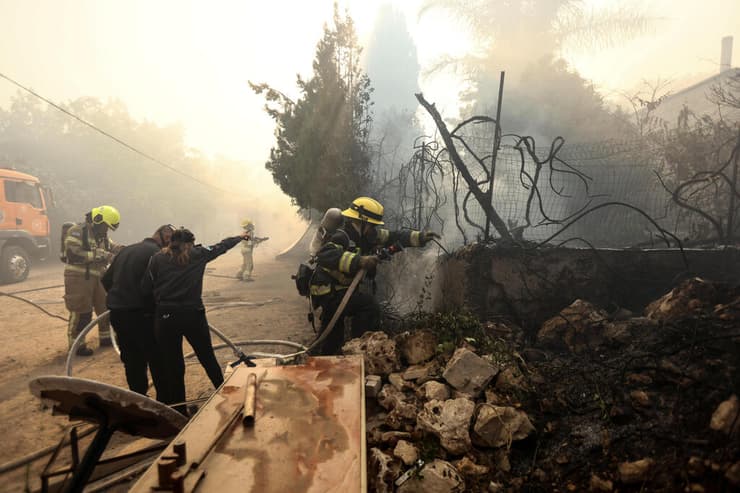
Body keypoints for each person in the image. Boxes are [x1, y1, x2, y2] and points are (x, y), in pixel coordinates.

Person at [309, 197, 440, 355]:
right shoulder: (342, 236)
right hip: (327, 290)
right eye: (371, 225)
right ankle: (360, 349)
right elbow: (326, 255)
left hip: (340, 290)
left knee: (333, 331)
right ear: (361, 221)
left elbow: (394, 236)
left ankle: (323, 353)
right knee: (368, 306)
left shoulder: (367, 235)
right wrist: (360, 260)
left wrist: (420, 237)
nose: (373, 229)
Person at [142, 227, 249, 414]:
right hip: (192, 314)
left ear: (170, 242)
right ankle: (229, 401)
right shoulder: (198, 254)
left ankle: (180, 412)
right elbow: (221, 246)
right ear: (191, 243)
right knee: (207, 357)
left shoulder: (157, 258)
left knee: (173, 366)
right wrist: (240, 237)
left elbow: (146, 287)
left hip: (165, 317)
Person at [101, 224, 175, 398]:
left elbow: (106, 279)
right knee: (157, 359)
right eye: (170, 242)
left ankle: (140, 401)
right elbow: (158, 286)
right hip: (143, 315)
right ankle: (166, 404)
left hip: (118, 314)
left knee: (132, 360)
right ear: (164, 238)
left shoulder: (126, 251)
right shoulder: (157, 255)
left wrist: (119, 298)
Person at [62, 205, 122, 356]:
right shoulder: (76, 231)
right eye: (105, 226)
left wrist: (128, 250)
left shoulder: (101, 235)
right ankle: (77, 345)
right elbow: (73, 253)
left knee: (106, 308)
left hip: (98, 277)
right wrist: (101, 255)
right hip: (79, 278)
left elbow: (112, 247)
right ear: (97, 219)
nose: (106, 230)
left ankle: (106, 338)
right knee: (82, 311)